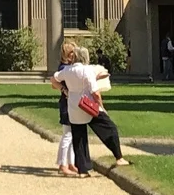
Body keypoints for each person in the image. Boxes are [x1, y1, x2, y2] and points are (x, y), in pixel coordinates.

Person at [48, 41, 129, 176]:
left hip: (74, 107)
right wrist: (102, 107)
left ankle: (83, 170)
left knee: (79, 137)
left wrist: (64, 90)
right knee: (109, 128)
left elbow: (53, 79)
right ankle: (119, 157)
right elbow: (95, 93)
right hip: (88, 106)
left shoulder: (67, 70)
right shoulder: (87, 70)